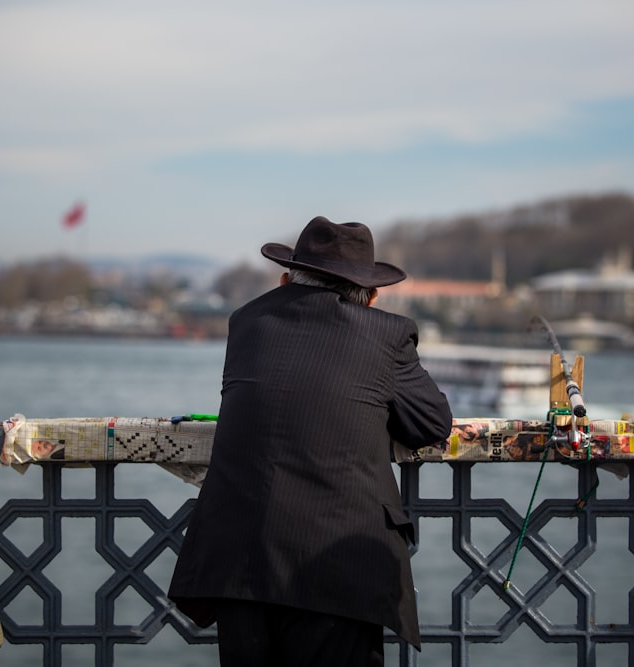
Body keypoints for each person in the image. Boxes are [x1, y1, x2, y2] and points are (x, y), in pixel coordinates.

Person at [168, 216, 452, 666]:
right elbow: (431, 425)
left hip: (238, 558)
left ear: (285, 279)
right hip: (337, 565)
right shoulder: (388, 334)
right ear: (372, 297)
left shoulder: (246, 323)